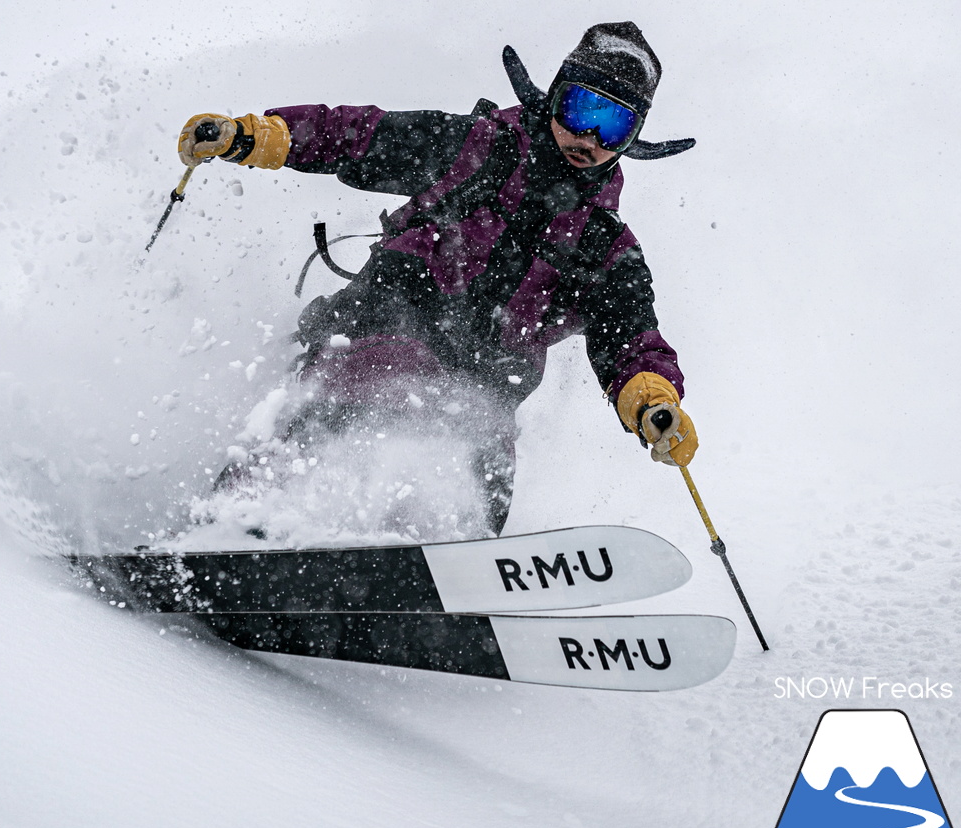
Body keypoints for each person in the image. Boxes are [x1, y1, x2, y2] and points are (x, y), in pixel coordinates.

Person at [175, 21, 699, 535]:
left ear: (633, 139)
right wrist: (257, 137)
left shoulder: (601, 246)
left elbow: (630, 337)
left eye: (612, 127)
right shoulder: (477, 150)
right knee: (385, 380)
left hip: (486, 386)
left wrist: (653, 400)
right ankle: (235, 527)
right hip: (378, 329)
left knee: (481, 448)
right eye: (581, 109)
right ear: (555, 98)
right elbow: (359, 136)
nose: (588, 137)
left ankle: (441, 572)